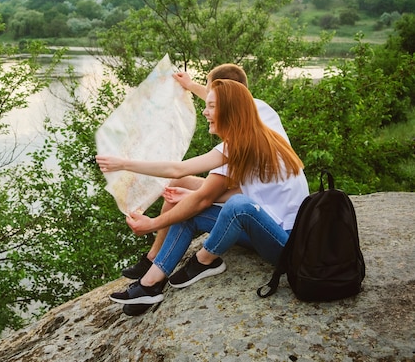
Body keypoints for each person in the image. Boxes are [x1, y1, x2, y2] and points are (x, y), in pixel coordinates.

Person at [106, 79, 309, 311]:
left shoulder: (246, 143)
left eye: (211, 106)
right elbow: (251, 190)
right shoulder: (259, 131)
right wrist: (197, 196)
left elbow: (178, 169)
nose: (205, 111)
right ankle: (149, 285)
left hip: (288, 243)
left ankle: (204, 260)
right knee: (193, 210)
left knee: (237, 205)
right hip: (267, 226)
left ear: (230, 110)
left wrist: (124, 164)